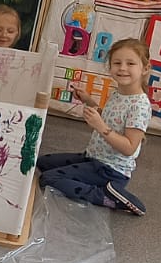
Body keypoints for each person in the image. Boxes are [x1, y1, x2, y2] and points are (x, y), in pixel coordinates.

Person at [37, 38, 149, 216]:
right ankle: (97, 183)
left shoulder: (140, 106)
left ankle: (106, 195)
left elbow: (129, 148)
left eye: (130, 63)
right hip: (93, 157)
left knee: (48, 178)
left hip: (111, 170)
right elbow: (112, 119)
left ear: (145, 68)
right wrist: (88, 101)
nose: (122, 68)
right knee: (43, 162)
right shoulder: (119, 93)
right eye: (117, 63)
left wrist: (101, 127)